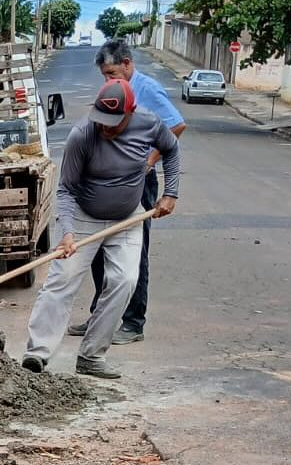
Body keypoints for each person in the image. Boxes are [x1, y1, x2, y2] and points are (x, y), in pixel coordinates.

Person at [21, 78, 180, 380]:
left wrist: (170, 193)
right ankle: (37, 354)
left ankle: (91, 354)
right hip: (84, 215)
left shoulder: (149, 124)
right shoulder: (81, 135)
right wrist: (66, 232)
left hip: (127, 216)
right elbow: (66, 190)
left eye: (114, 124)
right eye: (102, 122)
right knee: (62, 279)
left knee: (125, 280)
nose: (106, 128)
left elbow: (171, 150)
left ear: (130, 114)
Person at [67, 39, 187, 345]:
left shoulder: (147, 89)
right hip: (108, 181)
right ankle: (100, 314)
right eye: (104, 76)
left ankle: (133, 322)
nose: (108, 81)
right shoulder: (112, 94)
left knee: (134, 253)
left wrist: (149, 161)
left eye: (112, 73)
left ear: (128, 64)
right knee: (99, 249)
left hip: (138, 183)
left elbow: (176, 126)